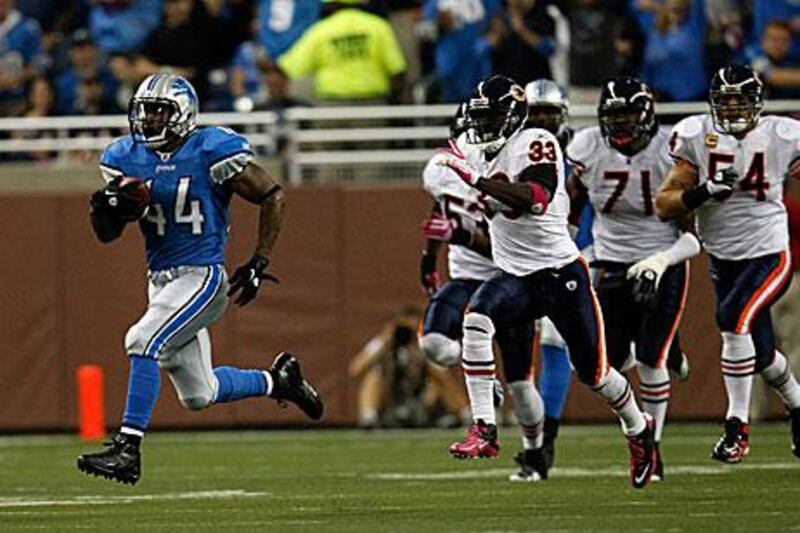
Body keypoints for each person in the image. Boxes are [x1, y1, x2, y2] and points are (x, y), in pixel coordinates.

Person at [76, 73, 324, 486]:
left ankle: (127, 450)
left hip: (202, 277)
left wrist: (259, 260)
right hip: (160, 281)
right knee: (199, 394)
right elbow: (106, 234)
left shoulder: (210, 149)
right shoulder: (125, 156)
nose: (151, 121)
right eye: (146, 112)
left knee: (141, 340)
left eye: (160, 111)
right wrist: (104, 207)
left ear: (183, 114)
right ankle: (279, 381)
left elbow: (271, 193)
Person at [439, 75, 657, 489]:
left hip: (559, 273)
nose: (483, 127)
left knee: (594, 373)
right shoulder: (471, 145)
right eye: (480, 118)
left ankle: (637, 427)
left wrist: (475, 181)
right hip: (516, 275)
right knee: (476, 320)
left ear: (515, 117)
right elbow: (445, 164)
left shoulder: (536, 140)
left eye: (494, 117)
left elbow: (536, 197)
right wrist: (441, 174)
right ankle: (484, 427)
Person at [656, 64, 800, 463]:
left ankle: (736, 428)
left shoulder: (783, 135)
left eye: (741, 99)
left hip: (770, 251)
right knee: (765, 355)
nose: (734, 108)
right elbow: (664, 204)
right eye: (726, 100)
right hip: (724, 256)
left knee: (732, 318)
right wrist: (703, 191)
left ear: (757, 102)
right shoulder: (696, 135)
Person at [566, 76, 699, 480]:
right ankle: (669, 345)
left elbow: (695, 238)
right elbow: (567, 212)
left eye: (627, 114)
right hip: (611, 262)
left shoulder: (672, 149)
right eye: (614, 115)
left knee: (650, 359)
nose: (621, 123)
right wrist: (569, 254)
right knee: (601, 363)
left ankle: (651, 449)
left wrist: (660, 262)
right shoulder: (586, 147)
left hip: (663, 259)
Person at [419, 103, 548, 482]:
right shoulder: (440, 171)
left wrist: (461, 236)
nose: (471, 141)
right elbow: (440, 211)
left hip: (510, 278)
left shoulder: (507, 170)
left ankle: (535, 452)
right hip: (467, 279)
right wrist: (428, 259)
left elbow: (505, 244)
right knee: (433, 345)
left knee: (522, 386)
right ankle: (481, 378)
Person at [523, 78, 586, 470]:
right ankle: (539, 443)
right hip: (527, 255)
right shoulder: (515, 146)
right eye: (536, 112)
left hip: (575, 251)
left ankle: (544, 444)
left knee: (556, 340)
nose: (543, 119)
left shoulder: (582, 147)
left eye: (549, 112)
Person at [349, 306, 469, 428]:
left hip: (421, 402)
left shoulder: (426, 344)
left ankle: (466, 416)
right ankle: (369, 418)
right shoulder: (383, 343)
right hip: (391, 401)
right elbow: (356, 369)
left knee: (438, 379)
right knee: (374, 375)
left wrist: (421, 349)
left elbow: (443, 375)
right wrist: (385, 342)